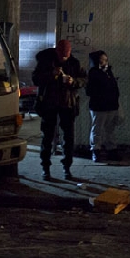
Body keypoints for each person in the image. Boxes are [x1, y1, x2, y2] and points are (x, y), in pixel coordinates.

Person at [33, 40, 86, 181]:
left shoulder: (74, 63)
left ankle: (67, 168)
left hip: (67, 104)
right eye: (61, 56)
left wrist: (73, 81)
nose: (64, 58)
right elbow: (36, 79)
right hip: (49, 104)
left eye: (66, 56)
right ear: (56, 52)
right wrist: (52, 74)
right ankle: (46, 168)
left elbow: (83, 79)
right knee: (47, 137)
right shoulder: (45, 61)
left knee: (68, 137)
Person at [86, 50, 121, 163]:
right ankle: (96, 151)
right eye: (101, 60)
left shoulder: (108, 71)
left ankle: (111, 150)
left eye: (105, 60)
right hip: (99, 105)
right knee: (98, 129)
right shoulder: (94, 72)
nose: (104, 62)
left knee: (109, 129)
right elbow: (90, 90)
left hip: (110, 105)